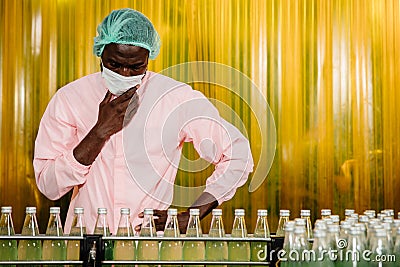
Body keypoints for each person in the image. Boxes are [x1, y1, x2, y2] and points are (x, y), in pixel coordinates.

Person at [33, 8, 253, 235]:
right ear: (100, 53)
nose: (125, 74)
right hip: (88, 242)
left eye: (136, 66)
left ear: (148, 58)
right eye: (114, 65)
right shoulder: (70, 98)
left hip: (149, 246)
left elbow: (238, 155)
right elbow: (48, 185)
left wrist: (192, 215)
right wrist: (98, 133)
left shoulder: (174, 97)